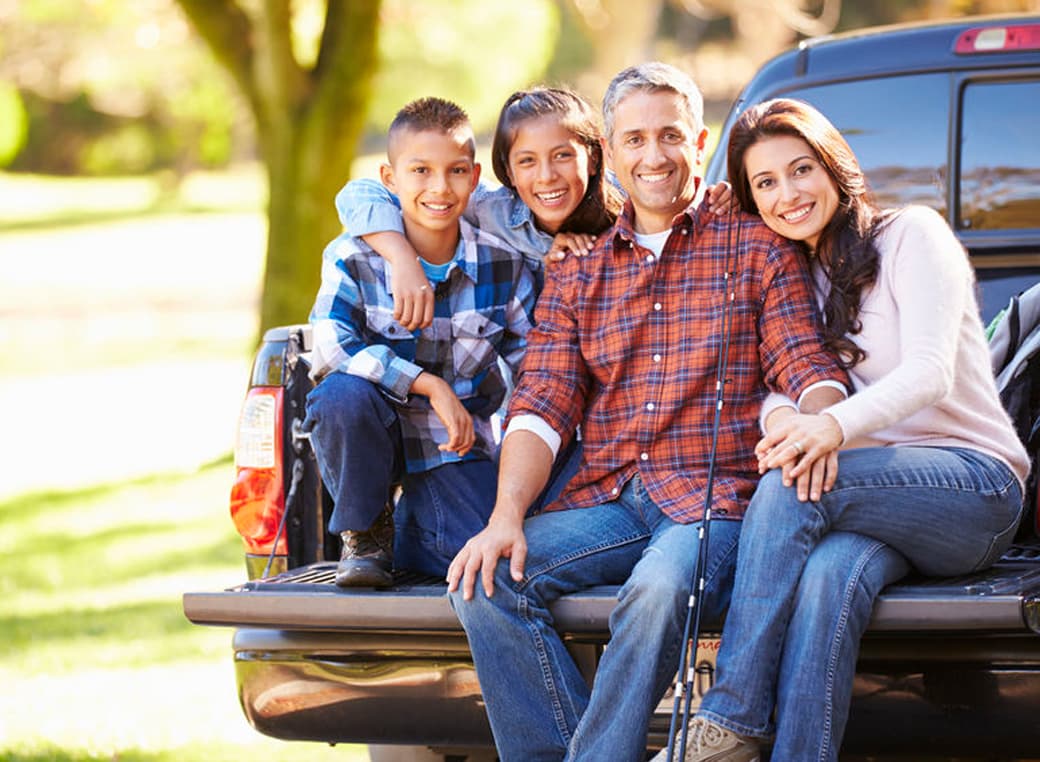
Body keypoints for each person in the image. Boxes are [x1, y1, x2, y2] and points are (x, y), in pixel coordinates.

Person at [444, 64, 849, 762]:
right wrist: (506, 519)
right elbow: (542, 402)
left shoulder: (756, 248)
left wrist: (823, 421)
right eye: (634, 139)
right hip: (611, 499)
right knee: (483, 584)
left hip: (712, 504)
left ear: (699, 141)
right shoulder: (579, 270)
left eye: (669, 135)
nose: (653, 155)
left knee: (656, 591)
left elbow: (805, 363)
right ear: (611, 150)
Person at [664, 98, 1029, 762]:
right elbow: (775, 389)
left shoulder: (912, 235)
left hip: (970, 487)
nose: (787, 194)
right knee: (830, 574)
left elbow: (929, 372)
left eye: (800, 169)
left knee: (785, 489)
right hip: (865, 501)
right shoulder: (792, 275)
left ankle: (734, 715)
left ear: (833, 166)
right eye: (765, 183)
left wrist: (827, 428)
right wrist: (789, 426)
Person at [303, 97, 537, 587]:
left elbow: (532, 364)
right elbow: (328, 344)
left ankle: (412, 530)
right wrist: (428, 384)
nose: (439, 187)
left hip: (453, 446)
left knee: (484, 557)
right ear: (390, 180)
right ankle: (366, 532)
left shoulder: (501, 262)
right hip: (376, 435)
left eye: (455, 171)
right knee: (340, 394)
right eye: (420, 171)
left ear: (475, 178)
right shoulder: (353, 256)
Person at [336, 85, 734, 332]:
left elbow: (674, 194)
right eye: (527, 161)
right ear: (506, 170)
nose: (546, 177)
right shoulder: (489, 210)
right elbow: (359, 194)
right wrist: (402, 257)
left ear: (594, 158)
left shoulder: (629, 200)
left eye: (563, 156)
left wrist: (717, 200)